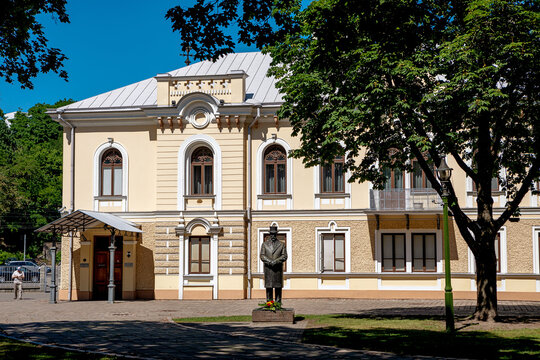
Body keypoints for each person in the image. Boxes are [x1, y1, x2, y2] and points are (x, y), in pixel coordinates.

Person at [260, 225, 287, 303]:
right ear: (269, 234)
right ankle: (269, 303)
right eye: (271, 234)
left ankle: (278, 304)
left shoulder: (281, 244)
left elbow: (284, 256)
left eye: (274, 234)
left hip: (277, 269)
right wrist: (269, 261)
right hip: (268, 269)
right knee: (269, 287)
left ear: (276, 234)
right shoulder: (264, 244)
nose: (273, 236)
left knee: (278, 287)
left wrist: (276, 261)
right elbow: (262, 255)